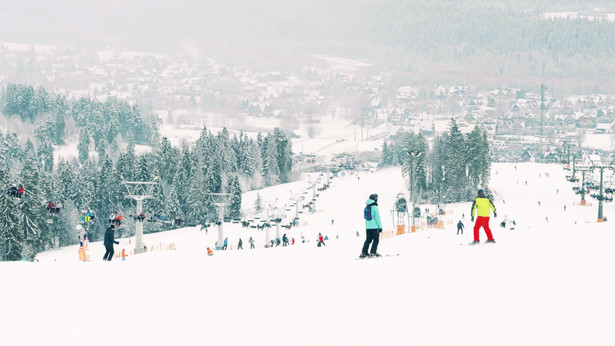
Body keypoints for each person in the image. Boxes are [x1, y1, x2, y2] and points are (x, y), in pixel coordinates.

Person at [361, 193, 382, 258]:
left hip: (368, 227)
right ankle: (373, 252)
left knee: (368, 239)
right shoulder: (375, 207)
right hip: (374, 227)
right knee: (376, 239)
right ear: (375, 199)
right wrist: (380, 227)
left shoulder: (367, 207)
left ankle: (364, 252)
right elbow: (377, 218)